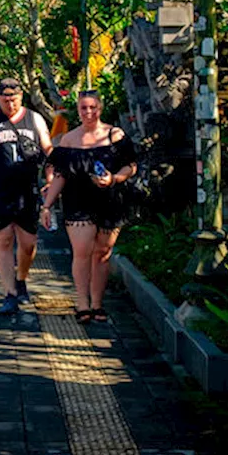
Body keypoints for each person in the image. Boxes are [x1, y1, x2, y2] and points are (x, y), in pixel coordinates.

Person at [40, 89, 138, 324]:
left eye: (93, 107)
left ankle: (97, 303)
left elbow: (131, 166)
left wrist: (114, 179)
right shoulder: (69, 139)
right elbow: (60, 175)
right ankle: (82, 303)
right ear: (78, 110)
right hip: (77, 201)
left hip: (111, 200)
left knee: (103, 253)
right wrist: (47, 206)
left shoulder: (115, 135)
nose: (88, 112)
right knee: (82, 251)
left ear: (100, 108)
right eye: (83, 108)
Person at [0, 77, 54, 316]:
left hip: (27, 191)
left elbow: (48, 151)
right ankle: (9, 293)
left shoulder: (34, 119)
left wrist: (51, 179)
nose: (10, 104)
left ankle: (21, 279)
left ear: (22, 97)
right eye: (5, 99)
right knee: (4, 240)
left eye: (14, 99)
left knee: (28, 244)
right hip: (0, 192)